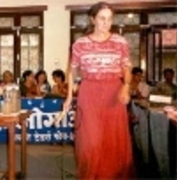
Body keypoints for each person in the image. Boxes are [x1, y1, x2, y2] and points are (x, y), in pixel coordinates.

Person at [63, 2, 134, 179]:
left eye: (109, 19)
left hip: (114, 92)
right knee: (91, 141)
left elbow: (127, 68)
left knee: (113, 141)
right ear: (93, 19)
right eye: (102, 18)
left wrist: (126, 87)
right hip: (89, 92)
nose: (106, 23)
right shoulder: (80, 44)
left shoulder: (120, 41)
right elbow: (72, 70)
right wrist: (69, 97)